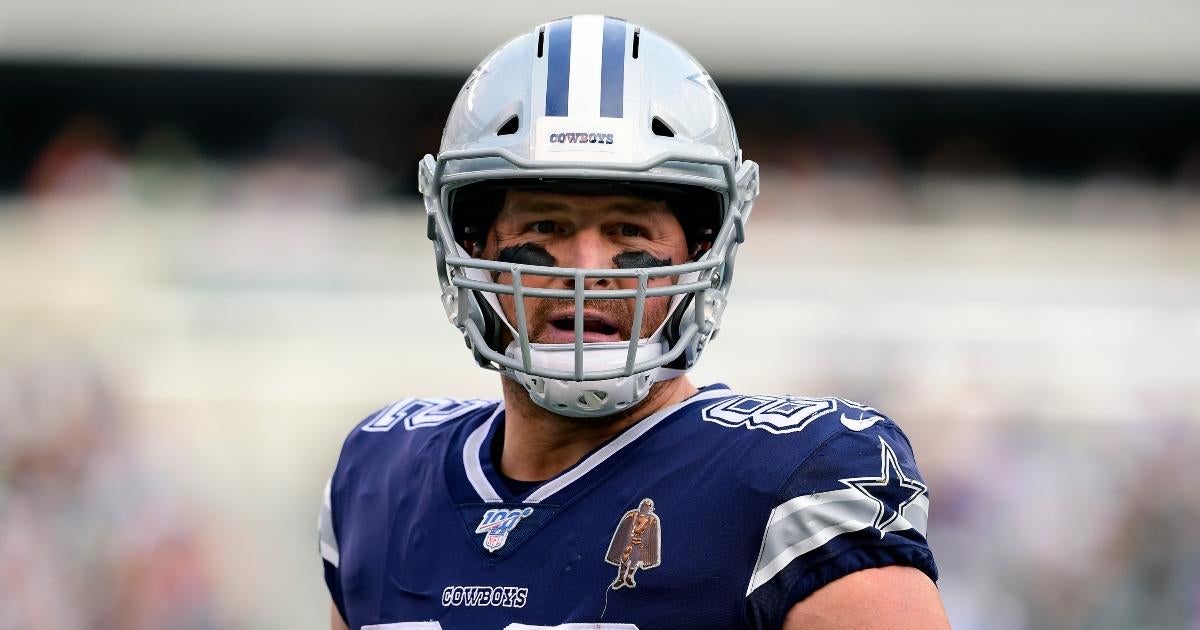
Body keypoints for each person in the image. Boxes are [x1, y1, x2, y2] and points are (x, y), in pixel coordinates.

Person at [319, 15, 950, 630]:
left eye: (629, 230)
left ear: (702, 252)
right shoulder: (382, 475)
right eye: (546, 226)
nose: (587, 270)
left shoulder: (791, 478)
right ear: (471, 244)